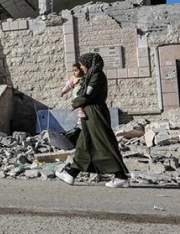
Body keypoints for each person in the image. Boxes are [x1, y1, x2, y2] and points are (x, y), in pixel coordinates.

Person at [55, 53, 130, 188]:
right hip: (88, 113)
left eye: (83, 64)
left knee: (103, 142)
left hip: (96, 113)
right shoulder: (90, 75)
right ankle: (71, 174)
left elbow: (88, 94)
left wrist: (75, 103)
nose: (82, 67)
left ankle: (121, 176)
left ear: (89, 63)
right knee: (84, 144)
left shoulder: (97, 76)